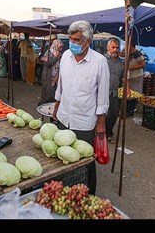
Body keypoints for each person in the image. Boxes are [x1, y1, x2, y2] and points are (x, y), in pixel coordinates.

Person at [53, 20, 110, 195]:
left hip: (85, 122)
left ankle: (87, 194)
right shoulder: (65, 57)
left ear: (88, 41)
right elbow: (61, 85)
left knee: (85, 161)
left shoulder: (99, 62)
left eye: (77, 40)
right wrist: (56, 107)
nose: (73, 43)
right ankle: (65, 191)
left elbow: (102, 96)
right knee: (63, 158)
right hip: (64, 118)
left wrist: (101, 123)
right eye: (71, 39)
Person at [104, 38, 124, 144]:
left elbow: (123, 77)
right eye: (113, 47)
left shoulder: (120, 62)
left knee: (113, 114)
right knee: (101, 114)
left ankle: (108, 133)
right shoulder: (102, 60)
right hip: (102, 92)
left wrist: (127, 88)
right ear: (108, 48)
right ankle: (99, 133)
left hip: (114, 93)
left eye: (117, 48)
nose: (115, 50)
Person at [39, 39, 64, 105]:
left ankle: (51, 105)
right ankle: (43, 104)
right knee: (47, 91)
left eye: (62, 47)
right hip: (48, 75)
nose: (61, 48)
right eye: (59, 47)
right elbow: (46, 64)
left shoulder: (60, 54)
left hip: (56, 76)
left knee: (54, 92)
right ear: (56, 45)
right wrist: (56, 58)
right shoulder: (49, 52)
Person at [125, 38, 145, 116]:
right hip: (130, 76)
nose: (125, 47)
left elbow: (143, 64)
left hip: (137, 76)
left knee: (136, 93)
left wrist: (131, 68)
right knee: (129, 92)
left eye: (127, 45)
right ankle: (130, 108)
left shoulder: (138, 54)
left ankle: (134, 108)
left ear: (131, 45)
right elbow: (121, 54)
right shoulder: (127, 52)